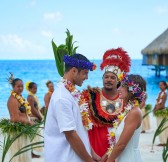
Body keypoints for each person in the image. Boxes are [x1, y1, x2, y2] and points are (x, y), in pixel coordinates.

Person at [44, 54, 99, 162]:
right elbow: (71, 135)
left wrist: (92, 153)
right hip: (64, 158)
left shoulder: (72, 93)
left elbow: (79, 129)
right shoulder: (62, 97)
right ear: (74, 71)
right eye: (85, 73)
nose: (87, 77)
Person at [82, 48, 131, 161]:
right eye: (106, 77)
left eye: (113, 77)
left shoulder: (125, 100)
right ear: (102, 78)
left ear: (118, 81)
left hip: (116, 152)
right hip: (94, 150)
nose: (109, 80)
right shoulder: (90, 96)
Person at [106, 74, 147, 162]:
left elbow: (121, 145)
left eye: (122, 86)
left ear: (132, 90)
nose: (118, 89)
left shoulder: (134, 112)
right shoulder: (129, 110)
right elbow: (118, 142)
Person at [7, 74, 33, 162]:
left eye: (22, 86)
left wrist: (30, 119)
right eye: (18, 86)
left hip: (23, 130)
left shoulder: (20, 98)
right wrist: (29, 122)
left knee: (24, 156)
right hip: (17, 132)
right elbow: (15, 118)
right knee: (19, 157)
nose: (21, 88)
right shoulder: (12, 100)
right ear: (13, 87)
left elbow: (23, 113)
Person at [26, 81, 44, 158]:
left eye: (36, 88)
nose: (35, 90)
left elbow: (37, 108)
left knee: (34, 136)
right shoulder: (30, 97)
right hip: (33, 118)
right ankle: (31, 153)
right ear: (29, 89)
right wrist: (40, 117)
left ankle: (33, 153)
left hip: (35, 117)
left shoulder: (33, 96)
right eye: (33, 88)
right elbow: (33, 109)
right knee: (33, 136)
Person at [153, 81, 167, 146]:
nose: (160, 86)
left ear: (165, 86)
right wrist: (154, 108)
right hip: (158, 110)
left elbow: (162, 105)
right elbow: (157, 102)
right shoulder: (160, 93)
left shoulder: (165, 93)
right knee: (159, 126)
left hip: (161, 111)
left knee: (162, 126)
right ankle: (162, 141)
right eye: (159, 85)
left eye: (161, 85)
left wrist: (156, 109)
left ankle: (164, 141)